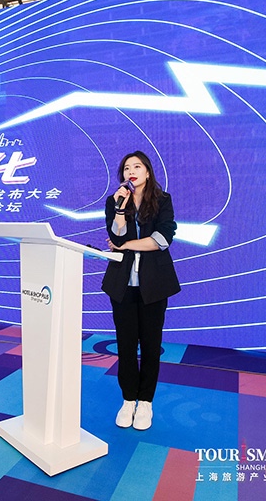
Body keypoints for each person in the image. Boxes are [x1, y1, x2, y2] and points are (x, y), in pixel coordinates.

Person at [102, 151, 180, 430]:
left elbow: (162, 239)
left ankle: (145, 402)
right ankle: (128, 400)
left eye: (137, 166)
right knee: (125, 345)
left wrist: (126, 246)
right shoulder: (115, 201)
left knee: (150, 345)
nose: (131, 171)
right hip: (122, 284)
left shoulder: (162, 200)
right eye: (126, 168)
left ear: (148, 171)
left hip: (154, 284)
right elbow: (115, 236)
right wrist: (120, 208)